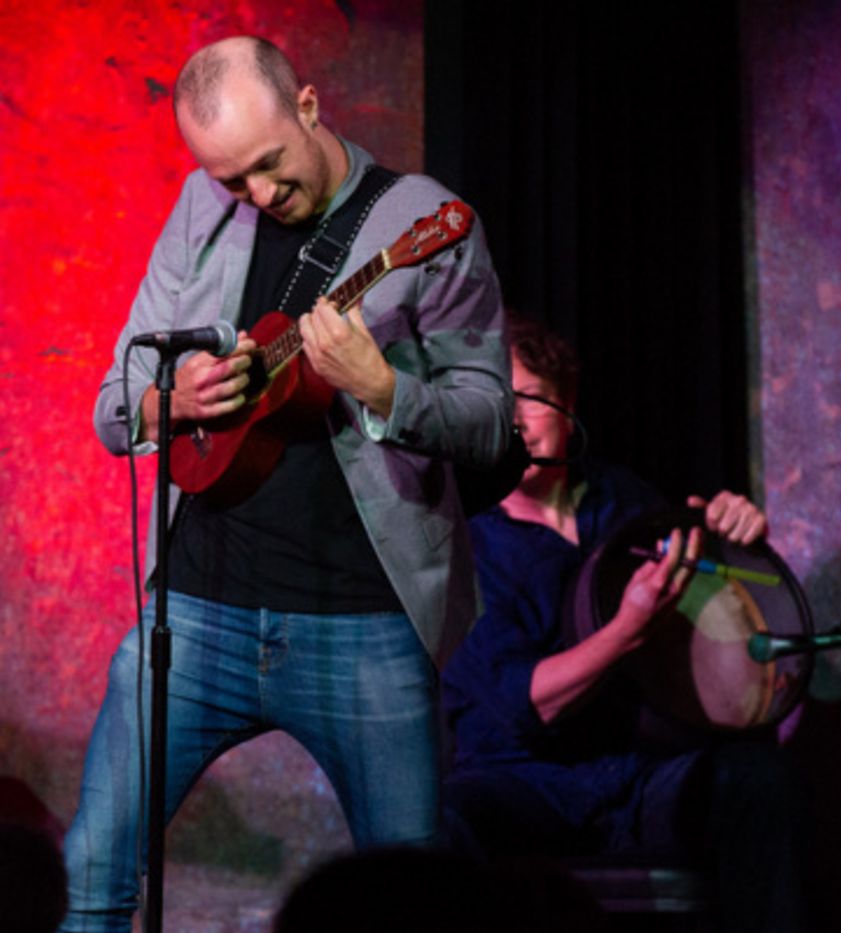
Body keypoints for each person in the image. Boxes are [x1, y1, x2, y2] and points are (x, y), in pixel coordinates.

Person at [67, 36, 509, 932]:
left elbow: (490, 418)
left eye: (268, 166)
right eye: (235, 180)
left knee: (412, 901)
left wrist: (384, 388)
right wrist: (172, 401)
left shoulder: (426, 222)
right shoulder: (202, 207)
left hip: (364, 625)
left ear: (307, 105)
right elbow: (116, 404)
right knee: (89, 870)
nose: (259, 196)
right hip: (196, 611)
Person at [441, 317, 810, 932]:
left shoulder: (623, 499)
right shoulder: (460, 540)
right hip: (524, 781)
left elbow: (710, 601)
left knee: (757, 782)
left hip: (642, 775)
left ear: (567, 406)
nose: (514, 421)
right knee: (447, 820)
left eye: (530, 399)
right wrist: (623, 633)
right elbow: (526, 705)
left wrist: (733, 538)